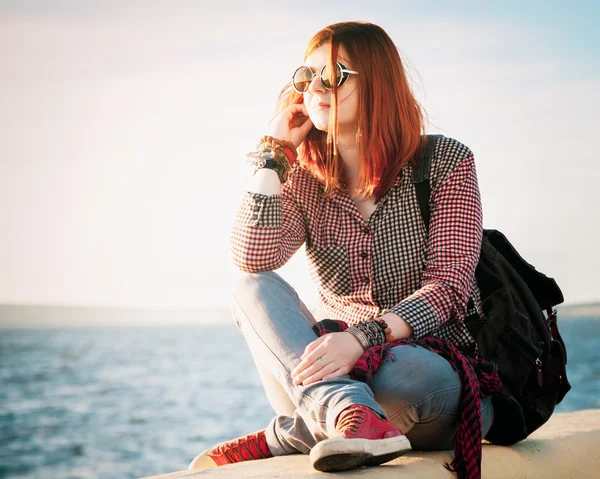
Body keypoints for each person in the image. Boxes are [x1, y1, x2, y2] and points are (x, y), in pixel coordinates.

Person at [188, 21, 495, 474]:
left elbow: (447, 289)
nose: (314, 87)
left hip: (433, 378)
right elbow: (253, 258)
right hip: (338, 377)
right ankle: (348, 412)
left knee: (401, 372)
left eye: (333, 75)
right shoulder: (305, 181)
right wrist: (274, 154)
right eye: (305, 76)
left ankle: (291, 432)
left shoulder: (445, 162)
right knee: (250, 287)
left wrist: (361, 339)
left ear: (378, 82)